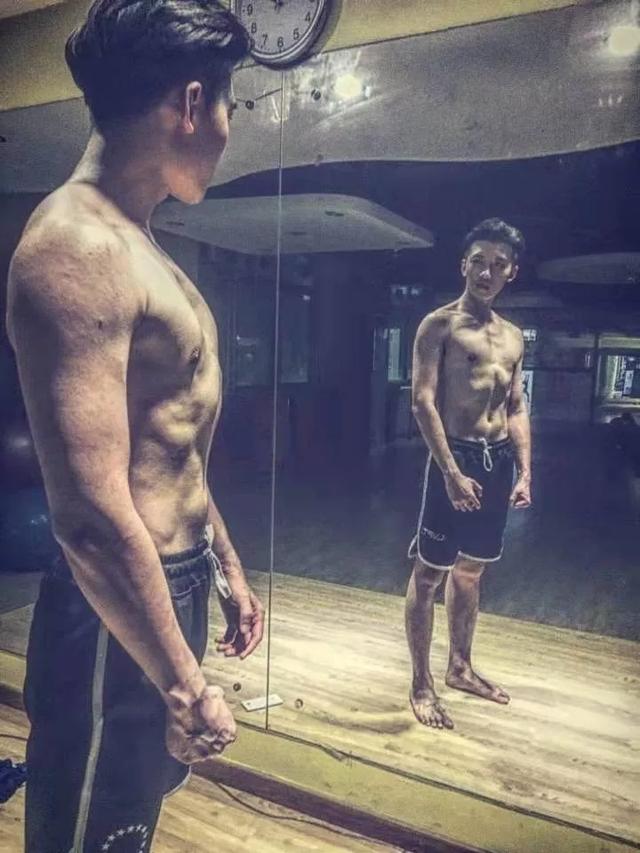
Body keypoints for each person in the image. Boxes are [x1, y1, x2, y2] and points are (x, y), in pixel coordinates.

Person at [6, 2, 265, 850]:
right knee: (91, 832)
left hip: (170, 579)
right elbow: (87, 514)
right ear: (191, 104)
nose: (228, 130)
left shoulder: (139, 246)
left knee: (129, 822)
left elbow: (170, 444)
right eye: (230, 106)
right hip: (113, 601)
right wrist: (186, 685)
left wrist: (224, 562)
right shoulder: (75, 246)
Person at [406, 218, 531, 730]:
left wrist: (525, 471)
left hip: (497, 461)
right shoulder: (439, 325)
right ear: (463, 265)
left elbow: (516, 406)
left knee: (472, 570)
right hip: (453, 457)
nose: (486, 272)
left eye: (498, 264)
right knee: (429, 573)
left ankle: (460, 667)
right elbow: (422, 402)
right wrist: (451, 471)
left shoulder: (514, 337)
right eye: (479, 261)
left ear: (511, 272)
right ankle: (421, 683)